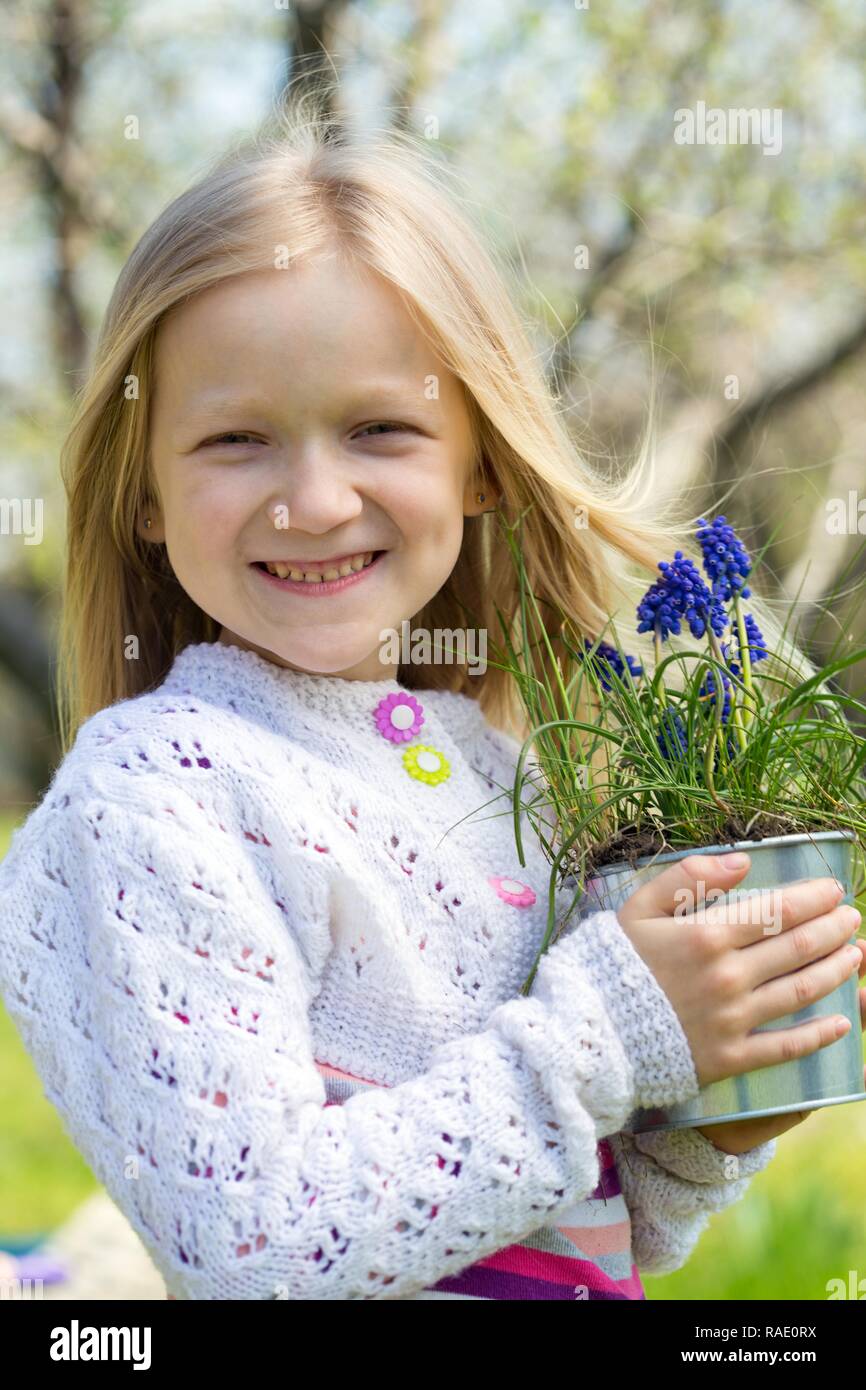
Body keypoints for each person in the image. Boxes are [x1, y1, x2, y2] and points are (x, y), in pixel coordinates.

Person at [1, 89, 863, 1301]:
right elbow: (255, 1247)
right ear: (143, 491)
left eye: (377, 430)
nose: (311, 498)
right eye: (235, 440)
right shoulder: (156, 795)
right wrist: (610, 1025)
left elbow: (564, 1222)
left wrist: (698, 1118)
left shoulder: (500, 775)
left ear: (479, 466)